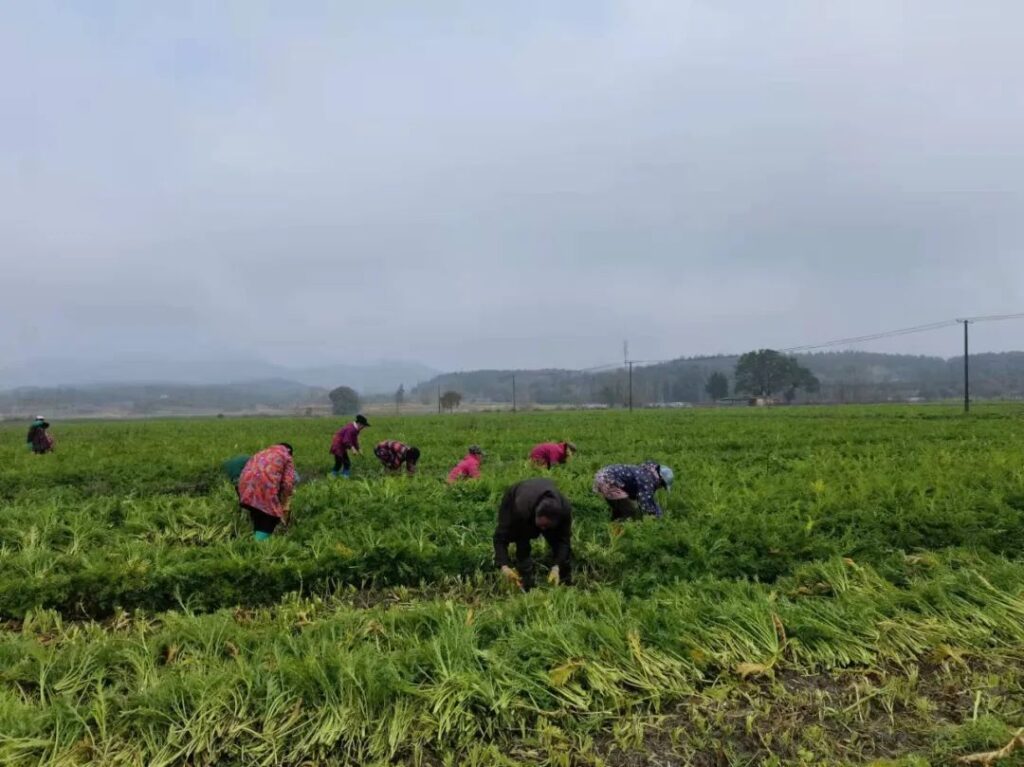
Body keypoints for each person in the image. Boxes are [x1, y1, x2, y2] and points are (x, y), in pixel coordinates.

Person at [494, 478, 572, 591]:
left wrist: (557, 567)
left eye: (546, 527)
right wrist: (503, 566)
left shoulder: (564, 511)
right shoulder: (521, 509)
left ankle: (565, 582)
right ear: (535, 515)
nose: (542, 530)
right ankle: (525, 582)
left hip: (542, 508)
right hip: (516, 498)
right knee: (522, 541)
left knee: (559, 544)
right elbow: (500, 538)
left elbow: (564, 542)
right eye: (540, 526)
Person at [238, 443, 296, 541]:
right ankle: (257, 547)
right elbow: (287, 483)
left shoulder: (262, 453)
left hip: (245, 487)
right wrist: (285, 499)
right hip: (264, 488)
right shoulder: (286, 456)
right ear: (289, 452)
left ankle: (254, 542)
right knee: (271, 517)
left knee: (258, 514)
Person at [592, 461, 674, 520]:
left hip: (603, 476)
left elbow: (637, 495)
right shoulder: (648, 480)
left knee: (619, 510)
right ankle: (618, 532)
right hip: (610, 481)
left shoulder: (646, 472)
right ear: (660, 480)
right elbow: (645, 501)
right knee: (629, 512)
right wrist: (656, 515)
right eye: (662, 485)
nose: (660, 488)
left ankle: (612, 527)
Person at [330, 414, 370, 478]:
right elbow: (346, 440)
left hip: (341, 447)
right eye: (363, 426)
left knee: (341, 463)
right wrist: (353, 449)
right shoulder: (351, 429)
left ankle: (335, 477)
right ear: (359, 424)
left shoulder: (355, 429)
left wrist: (358, 449)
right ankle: (341, 478)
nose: (363, 428)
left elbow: (354, 440)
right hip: (338, 447)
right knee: (344, 463)